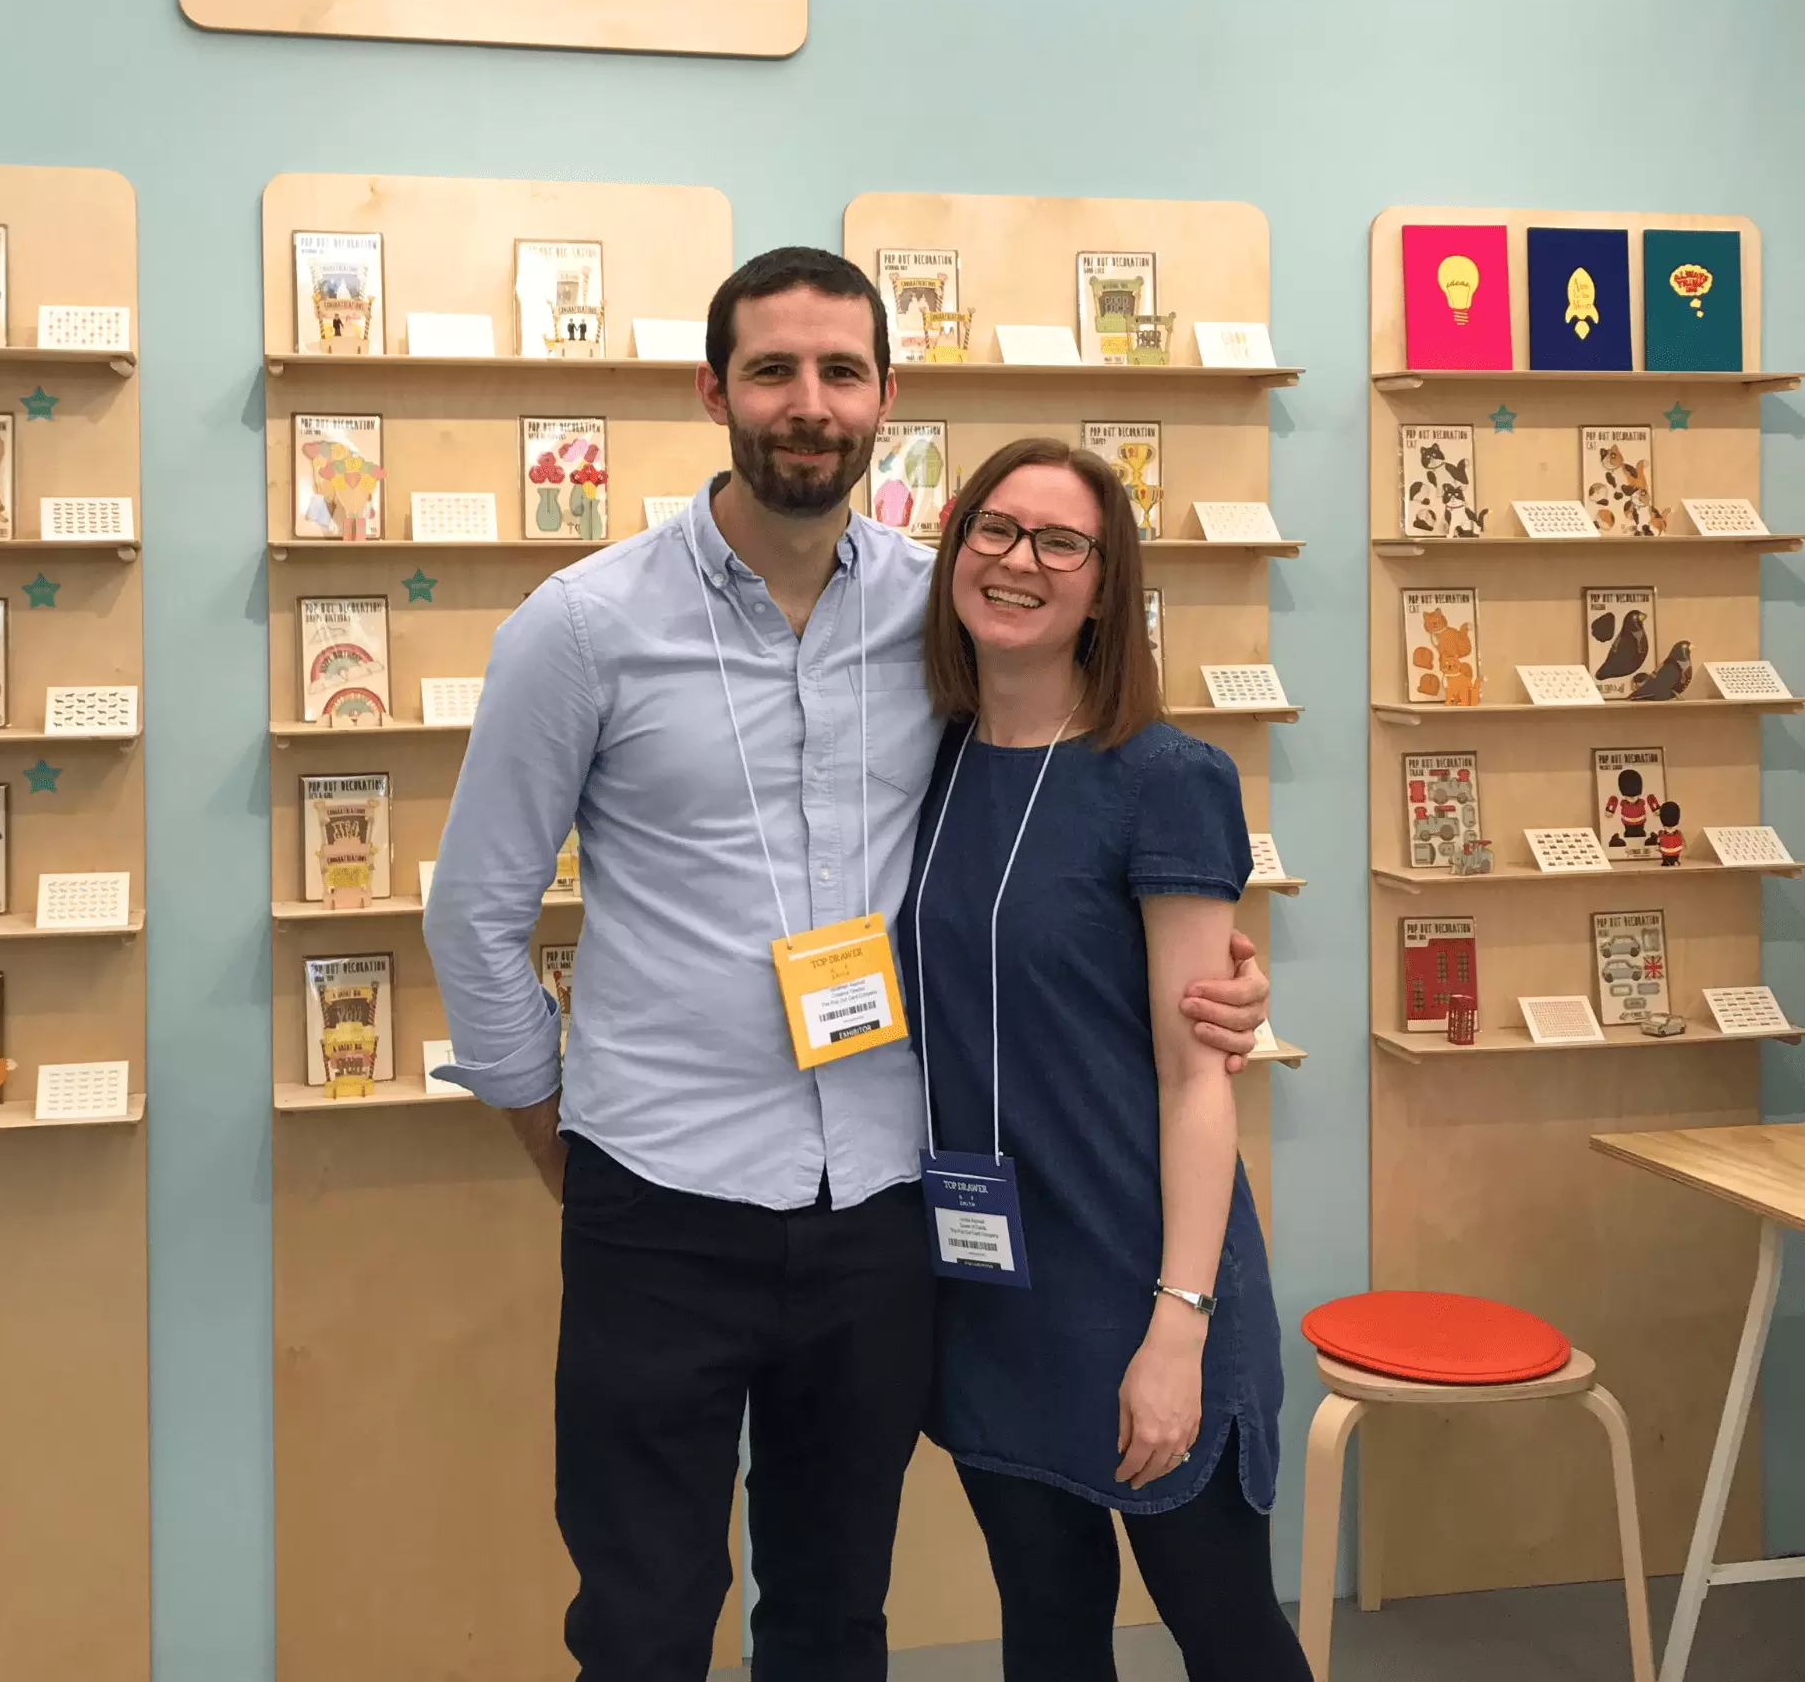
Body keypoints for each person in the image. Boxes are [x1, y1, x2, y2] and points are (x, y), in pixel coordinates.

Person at [424, 248, 1273, 1682]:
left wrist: (1214, 978)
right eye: (772, 370)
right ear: (713, 391)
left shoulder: (938, 610)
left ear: (887, 399)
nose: (807, 404)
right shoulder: (581, 627)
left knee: (832, 1614)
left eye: (839, 372)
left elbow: (1064, 809)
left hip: (882, 1206)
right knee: (641, 1616)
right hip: (661, 1195)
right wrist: (548, 1130)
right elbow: (474, 911)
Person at [899, 436, 1310, 1682]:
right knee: (1048, 1621)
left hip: (1144, 1279)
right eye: (993, 528)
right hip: (989, 1284)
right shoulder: (916, 763)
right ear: (954, 548)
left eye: (1059, 541)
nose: (1018, 560)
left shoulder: (1166, 779)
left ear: (1103, 582)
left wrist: (1176, 1326)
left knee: (1225, 1628)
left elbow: (1198, 1076)